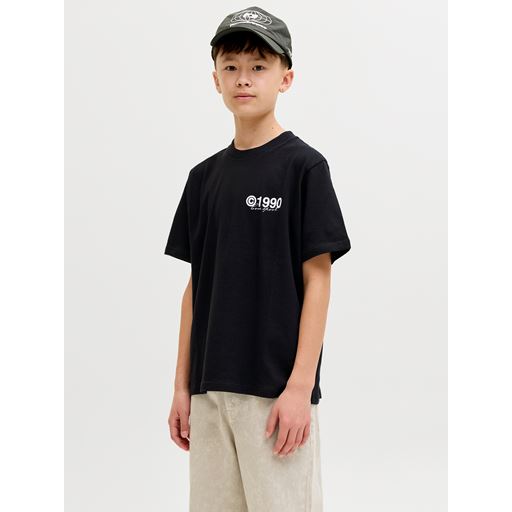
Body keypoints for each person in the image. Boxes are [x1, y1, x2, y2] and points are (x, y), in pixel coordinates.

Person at [164, 6, 351, 511]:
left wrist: (300, 388)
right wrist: (182, 388)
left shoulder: (304, 168)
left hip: (274, 394)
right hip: (209, 394)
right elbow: (196, 287)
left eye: (259, 66)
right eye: (231, 67)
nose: (243, 79)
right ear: (215, 79)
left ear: (285, 78)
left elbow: (318, 281)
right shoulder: (203, 179)